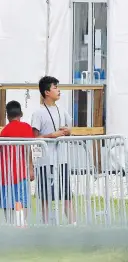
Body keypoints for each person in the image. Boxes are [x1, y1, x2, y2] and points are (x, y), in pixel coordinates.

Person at [31, 76, 76, 225]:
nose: (58, 90)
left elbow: (70, 128)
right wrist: (52, 135)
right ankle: (45, 227)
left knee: (67, 195)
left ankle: (72, 225)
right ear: (46, 92)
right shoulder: (38, 112)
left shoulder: (61, 110)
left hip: (62, 160)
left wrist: (67, 132)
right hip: (45, 162)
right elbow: (35, 138)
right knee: (45, 197)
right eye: (55, 87)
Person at [0, 101, 35, 224]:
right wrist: (31, 167)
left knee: (7, 201)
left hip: (5, 173)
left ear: (7, 115)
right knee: (22, 200)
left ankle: (10, 224)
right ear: (21, 113)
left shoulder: (4, 132)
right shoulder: (26, 127)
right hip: (21, 172)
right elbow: (28, 149)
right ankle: (20, 222)